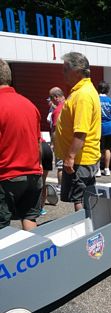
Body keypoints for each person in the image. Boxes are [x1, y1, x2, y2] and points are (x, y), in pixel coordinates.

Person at [54, 52, 101, 212]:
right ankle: (89, 228)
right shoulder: (83, 91)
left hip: (81, 159)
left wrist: (70, 157)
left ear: (78, 71)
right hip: (83, 158)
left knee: (80, 199)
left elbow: (81, 131)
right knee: (84, 197)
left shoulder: (83, 95)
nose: (63, 73)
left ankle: (87, 232)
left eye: (65, 69)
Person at [0, 59, 43, 230]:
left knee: (2, 226)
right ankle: (36, 254)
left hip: (6, 175)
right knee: (29, 217)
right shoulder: (29, 104)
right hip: (33, 174)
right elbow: (38, 143)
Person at [98, 81, 111, 176]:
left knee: (97, 148)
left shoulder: (96, 99)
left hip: (97, 127)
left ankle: (97, 169)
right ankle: (106, 168)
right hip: (109, 127)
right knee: (107, 149)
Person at [49, 86, 65, 192]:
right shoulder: (69, 104)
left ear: (55, 97)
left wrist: (53, 144)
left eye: (51, 98)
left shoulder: (57, 110)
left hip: (61, 142)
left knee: (60, 166)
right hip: (71, 141)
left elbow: (55, 131)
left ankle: (60, 186)